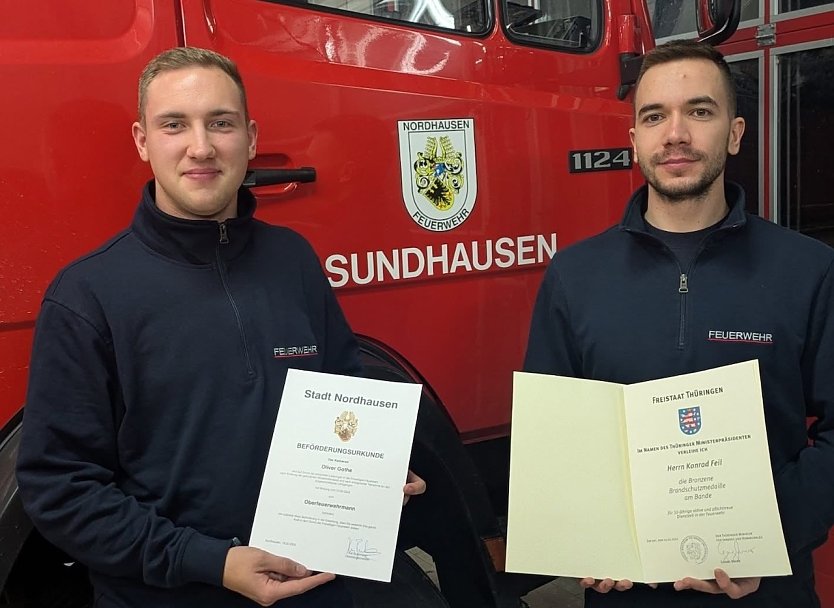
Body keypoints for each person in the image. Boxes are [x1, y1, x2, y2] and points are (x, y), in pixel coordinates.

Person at [16, 47, 425, 608]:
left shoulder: (294, 260)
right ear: (142, 142)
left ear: (251, 139)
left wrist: (375, 469)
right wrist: (211, 562)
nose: (201, 147)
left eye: (221, 123)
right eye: (174, 125)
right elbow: (60, 490)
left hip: (317, 588)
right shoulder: (88, 296)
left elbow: (345, 397)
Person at [524, 39, 834, 607]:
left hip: (767, 589)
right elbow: (553, 440)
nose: (676, 134)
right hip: (628, 592)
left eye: (699, 111)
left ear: (735, 133)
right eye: (654, 116)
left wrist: (774, 541)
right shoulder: (574, 276)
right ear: (634, 140)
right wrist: (583, 538)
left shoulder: (808, 271)